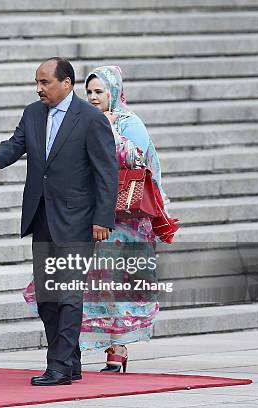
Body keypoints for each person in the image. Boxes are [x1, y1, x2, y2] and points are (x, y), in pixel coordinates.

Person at [0, 57, 118, 386]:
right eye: (38, 82)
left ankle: (58, 366)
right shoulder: (33, 113)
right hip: (41, 216)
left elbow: (106, 172)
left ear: (66, 83)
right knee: (47, 296)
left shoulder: (89, 119)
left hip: (78, 220)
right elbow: (15, 145)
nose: (39, 88)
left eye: (45, 82)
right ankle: (70, 361)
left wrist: (102, 218)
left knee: (69, 293)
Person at [80, 65, 179, 373]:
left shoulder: (129, 122)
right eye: (90, 92)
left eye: (100, 91)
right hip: (95, 212)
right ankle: (98, 343)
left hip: (128, 220)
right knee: (97, 283)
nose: (94, 97)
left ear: (115, 92)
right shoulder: (86, 121)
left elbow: (138, 161)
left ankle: (118, 348)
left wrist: (109, 130)